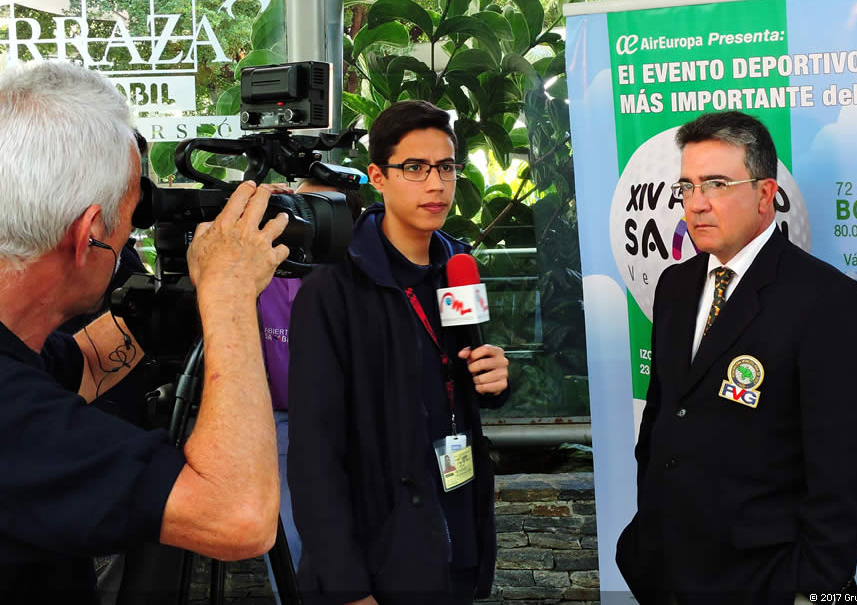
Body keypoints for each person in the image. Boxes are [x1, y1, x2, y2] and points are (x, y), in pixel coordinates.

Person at [0, 60, 286, 602]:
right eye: (134, 217)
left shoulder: (18, 354)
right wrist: (228, 295)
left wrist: (181, 301)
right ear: (89, 235)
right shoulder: (14, 416)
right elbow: (240, 516)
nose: (133, 233)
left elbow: (79, 362)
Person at [616, 111, 857, 605]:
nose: (696, 203)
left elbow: (845, 469)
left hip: (762, 577)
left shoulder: (828, 302)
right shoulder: (675, 286)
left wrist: (808, 586)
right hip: (666, 568)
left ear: (765, 194)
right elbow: (662, 419)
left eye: (716, 184)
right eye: (687, 187)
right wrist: (645, 536)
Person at [288, 100, 509, 605]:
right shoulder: (333, 287)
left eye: (446, 167)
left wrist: (494, 379)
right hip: (379, 553)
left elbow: (463, 378)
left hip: (454, 530)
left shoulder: (457, 265)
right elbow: (314, 454)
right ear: (378, 177)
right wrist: (347, 587)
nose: (436, 184)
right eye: (415, 168)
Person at [257, 180, 363, 595]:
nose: (300, 219)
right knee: (292, 549)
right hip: (283, 426)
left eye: (312, 209)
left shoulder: (366, 273)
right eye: (295, 206)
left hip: (357, 424)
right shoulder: (265, 266)